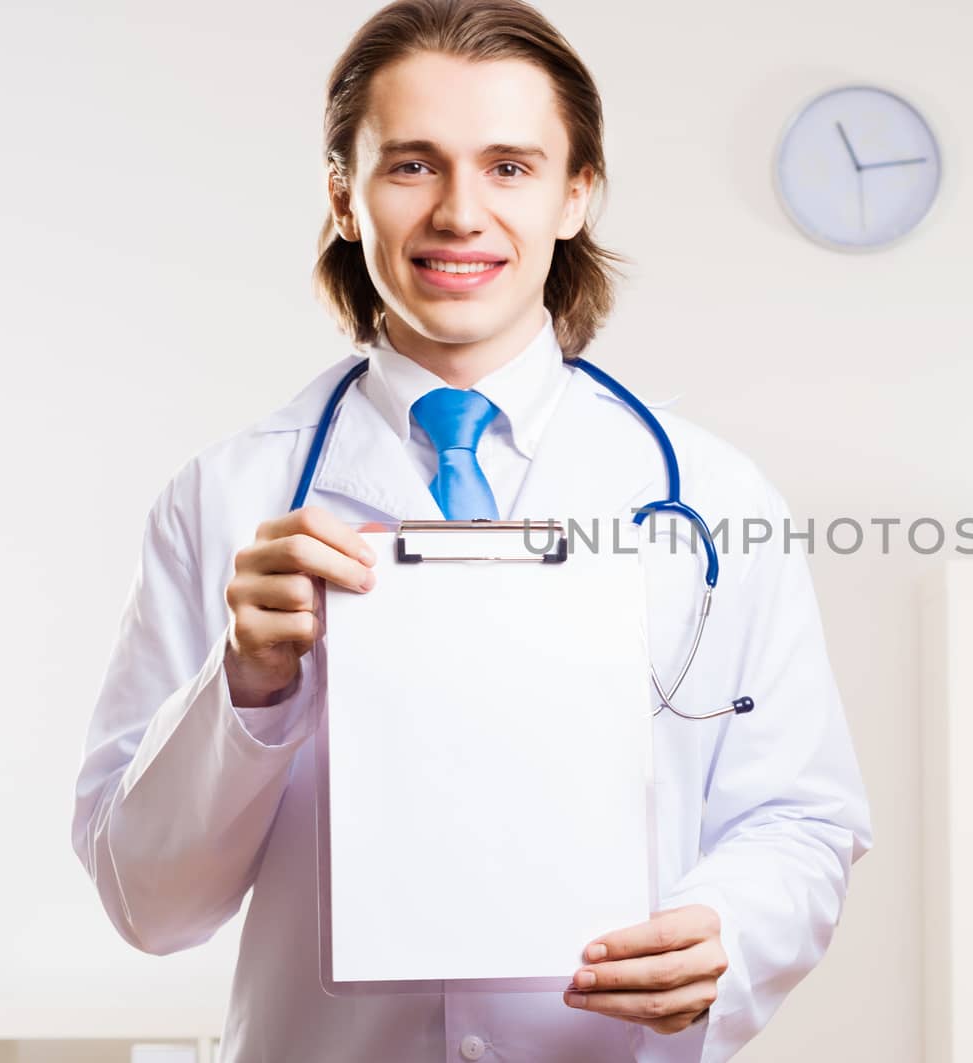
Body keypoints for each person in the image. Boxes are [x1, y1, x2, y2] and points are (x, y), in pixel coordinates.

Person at [68, 1, 872, 1060]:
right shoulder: (226, 498)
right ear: (343, 198)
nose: (459, 212)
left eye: (508, 166)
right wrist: (246, 686)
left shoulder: (713, 499)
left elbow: (800, 819)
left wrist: (725, 929)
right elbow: (149, 903)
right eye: (411, 165)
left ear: (575, 194)